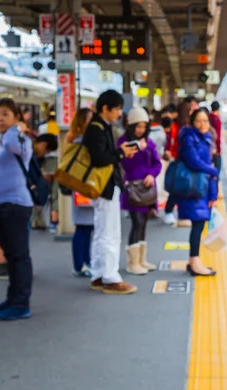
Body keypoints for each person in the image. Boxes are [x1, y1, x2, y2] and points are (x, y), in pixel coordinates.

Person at [83, 90, 138, 295]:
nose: (119, 113)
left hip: (103, 187)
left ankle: (98, 274)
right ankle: (110, 277)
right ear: (105, 108)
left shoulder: (98, 127)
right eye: (116, 109)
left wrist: (119, 152)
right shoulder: (98, 129)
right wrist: (121, 152)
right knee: (110, 233)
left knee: (101, 231)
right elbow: (100, 158)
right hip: (105, 187)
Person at [0, 98, 36, 321]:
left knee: (19, 255)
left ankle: (21, 303)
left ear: (16, 117)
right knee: (10, 254)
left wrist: (15, 129)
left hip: (15, 203)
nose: (0, 119)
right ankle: (12, 298)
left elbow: (13, 147)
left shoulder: (19, 139)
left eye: (5, 114)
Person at [117, 107, 162, 275]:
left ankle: (142, 259)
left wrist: (152, 174)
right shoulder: (123, 143)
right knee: (136, 222)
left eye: (143, 126)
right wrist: (138, 149)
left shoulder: (149, 142)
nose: (141, 130)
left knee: (143, 222)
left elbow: (157, 163)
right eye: (137, 126)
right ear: (130, 126)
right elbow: (126, 165)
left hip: (147, 189)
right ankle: (132, 262)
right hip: (133, 189)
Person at [176, 108, 218, 277]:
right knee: (198, 224)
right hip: (193, 187)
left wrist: (213, 194)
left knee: (199, 224)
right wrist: (213, 171)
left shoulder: (206, 138)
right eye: (199, 121)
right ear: (192, 122)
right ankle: (194, 262)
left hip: (202, 187)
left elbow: (209, 171)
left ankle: (194, 260)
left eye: (206, 121)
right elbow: (194, 162)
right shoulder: (189, 138)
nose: (203, 124)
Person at [66, 108, 94, 277]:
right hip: (83, 187)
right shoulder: (80, 142)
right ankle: (80, 264)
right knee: (83, 228)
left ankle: (84, 262)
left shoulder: (74, 140)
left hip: (82, 187)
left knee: (86, 228)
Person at [163, 97, 200, 225]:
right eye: (191, 109)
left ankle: (176, 212)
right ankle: (169, 211)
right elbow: (173, 143)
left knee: (181, 187)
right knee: (178, 188)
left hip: (181, 159)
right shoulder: (182, 127)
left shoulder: (182, 126)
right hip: (181, 160)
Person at [209, 101, 223, 174]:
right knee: (217, 168)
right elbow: (218, 137)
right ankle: (215, 183)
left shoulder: (208, 117)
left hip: (207, 146)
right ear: (218, 109)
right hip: (214, 148)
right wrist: (219, 150)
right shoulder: (217, 120)